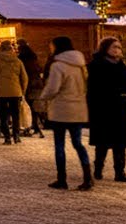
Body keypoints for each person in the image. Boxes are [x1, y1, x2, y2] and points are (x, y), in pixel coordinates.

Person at [40, 36, 91, 191]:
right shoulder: (81, 64)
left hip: (61, 109)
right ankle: (87, 177)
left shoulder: (58, 65)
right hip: (78, 108)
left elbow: (53, 88)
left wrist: (43, 96)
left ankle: (62, 179)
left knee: (59, 145)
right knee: (78, 144)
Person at [88, 37, 126, 183]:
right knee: (103, 141)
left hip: (120, 107)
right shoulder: (96, 65)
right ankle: (98, 168)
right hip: (103, 107)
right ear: (105, 48)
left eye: (119, 48)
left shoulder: (121, 65)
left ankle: (120, 171)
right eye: (114, 47)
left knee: (120, 141)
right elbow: (93, 88)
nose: (117, 50)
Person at [0, 40, 29, 145]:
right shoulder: (18, 61)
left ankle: (7, 137)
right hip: (16, 92)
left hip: (1, 93)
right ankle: (16, 136)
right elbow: (24, 78)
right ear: (11, 49)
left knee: (3, 115)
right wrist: (22, 91)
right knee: (16, 115)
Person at [18, 40, 46, 138]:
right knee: (34, 108)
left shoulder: (21, 60)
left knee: (27, 108)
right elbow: (40, 70)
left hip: (28, 85)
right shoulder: (34, 59)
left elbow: (22, 75)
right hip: (38, 85)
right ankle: (35, 127)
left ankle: (31, 128)